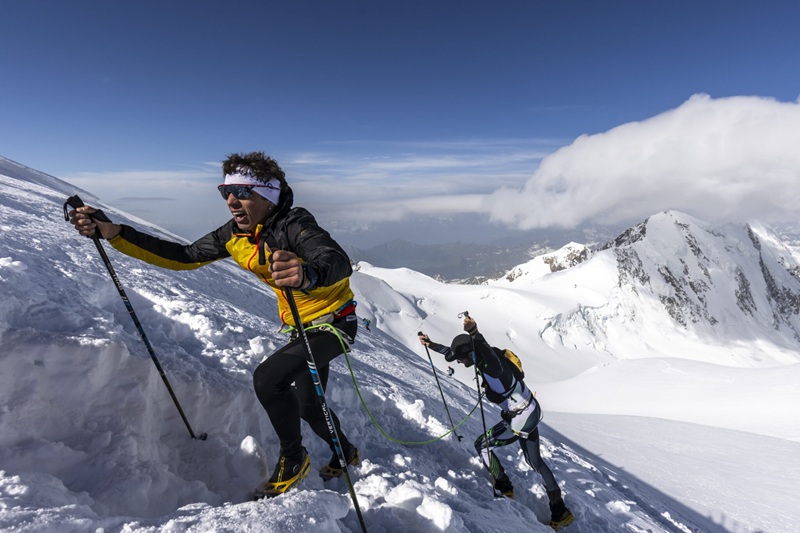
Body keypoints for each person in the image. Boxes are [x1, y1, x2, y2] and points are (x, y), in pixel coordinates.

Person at [68, 152, 360, 499]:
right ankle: (346, 453)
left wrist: (308, 274)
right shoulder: (234, 235)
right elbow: (184, 256)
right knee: (310, 405)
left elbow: (335, 260)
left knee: (268, 379)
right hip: (301, 327)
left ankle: (294, 458)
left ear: (269, 196)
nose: (232, 201)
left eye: (243, 192)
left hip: (335, 324)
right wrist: (115, 232)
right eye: (226, 192)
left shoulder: (295, 225)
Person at [419, 316, 574, 531]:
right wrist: (432, 344)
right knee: (536, 462)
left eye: (461, 359)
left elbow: (490, 359)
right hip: (530, 409)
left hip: (520, 418)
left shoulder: (492, 366)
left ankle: (503, 486)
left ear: (470, 353)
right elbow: (454, 353)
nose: (459, 363)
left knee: (482, 445)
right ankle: (560, 511)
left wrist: (475, 333)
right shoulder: (482, 356)